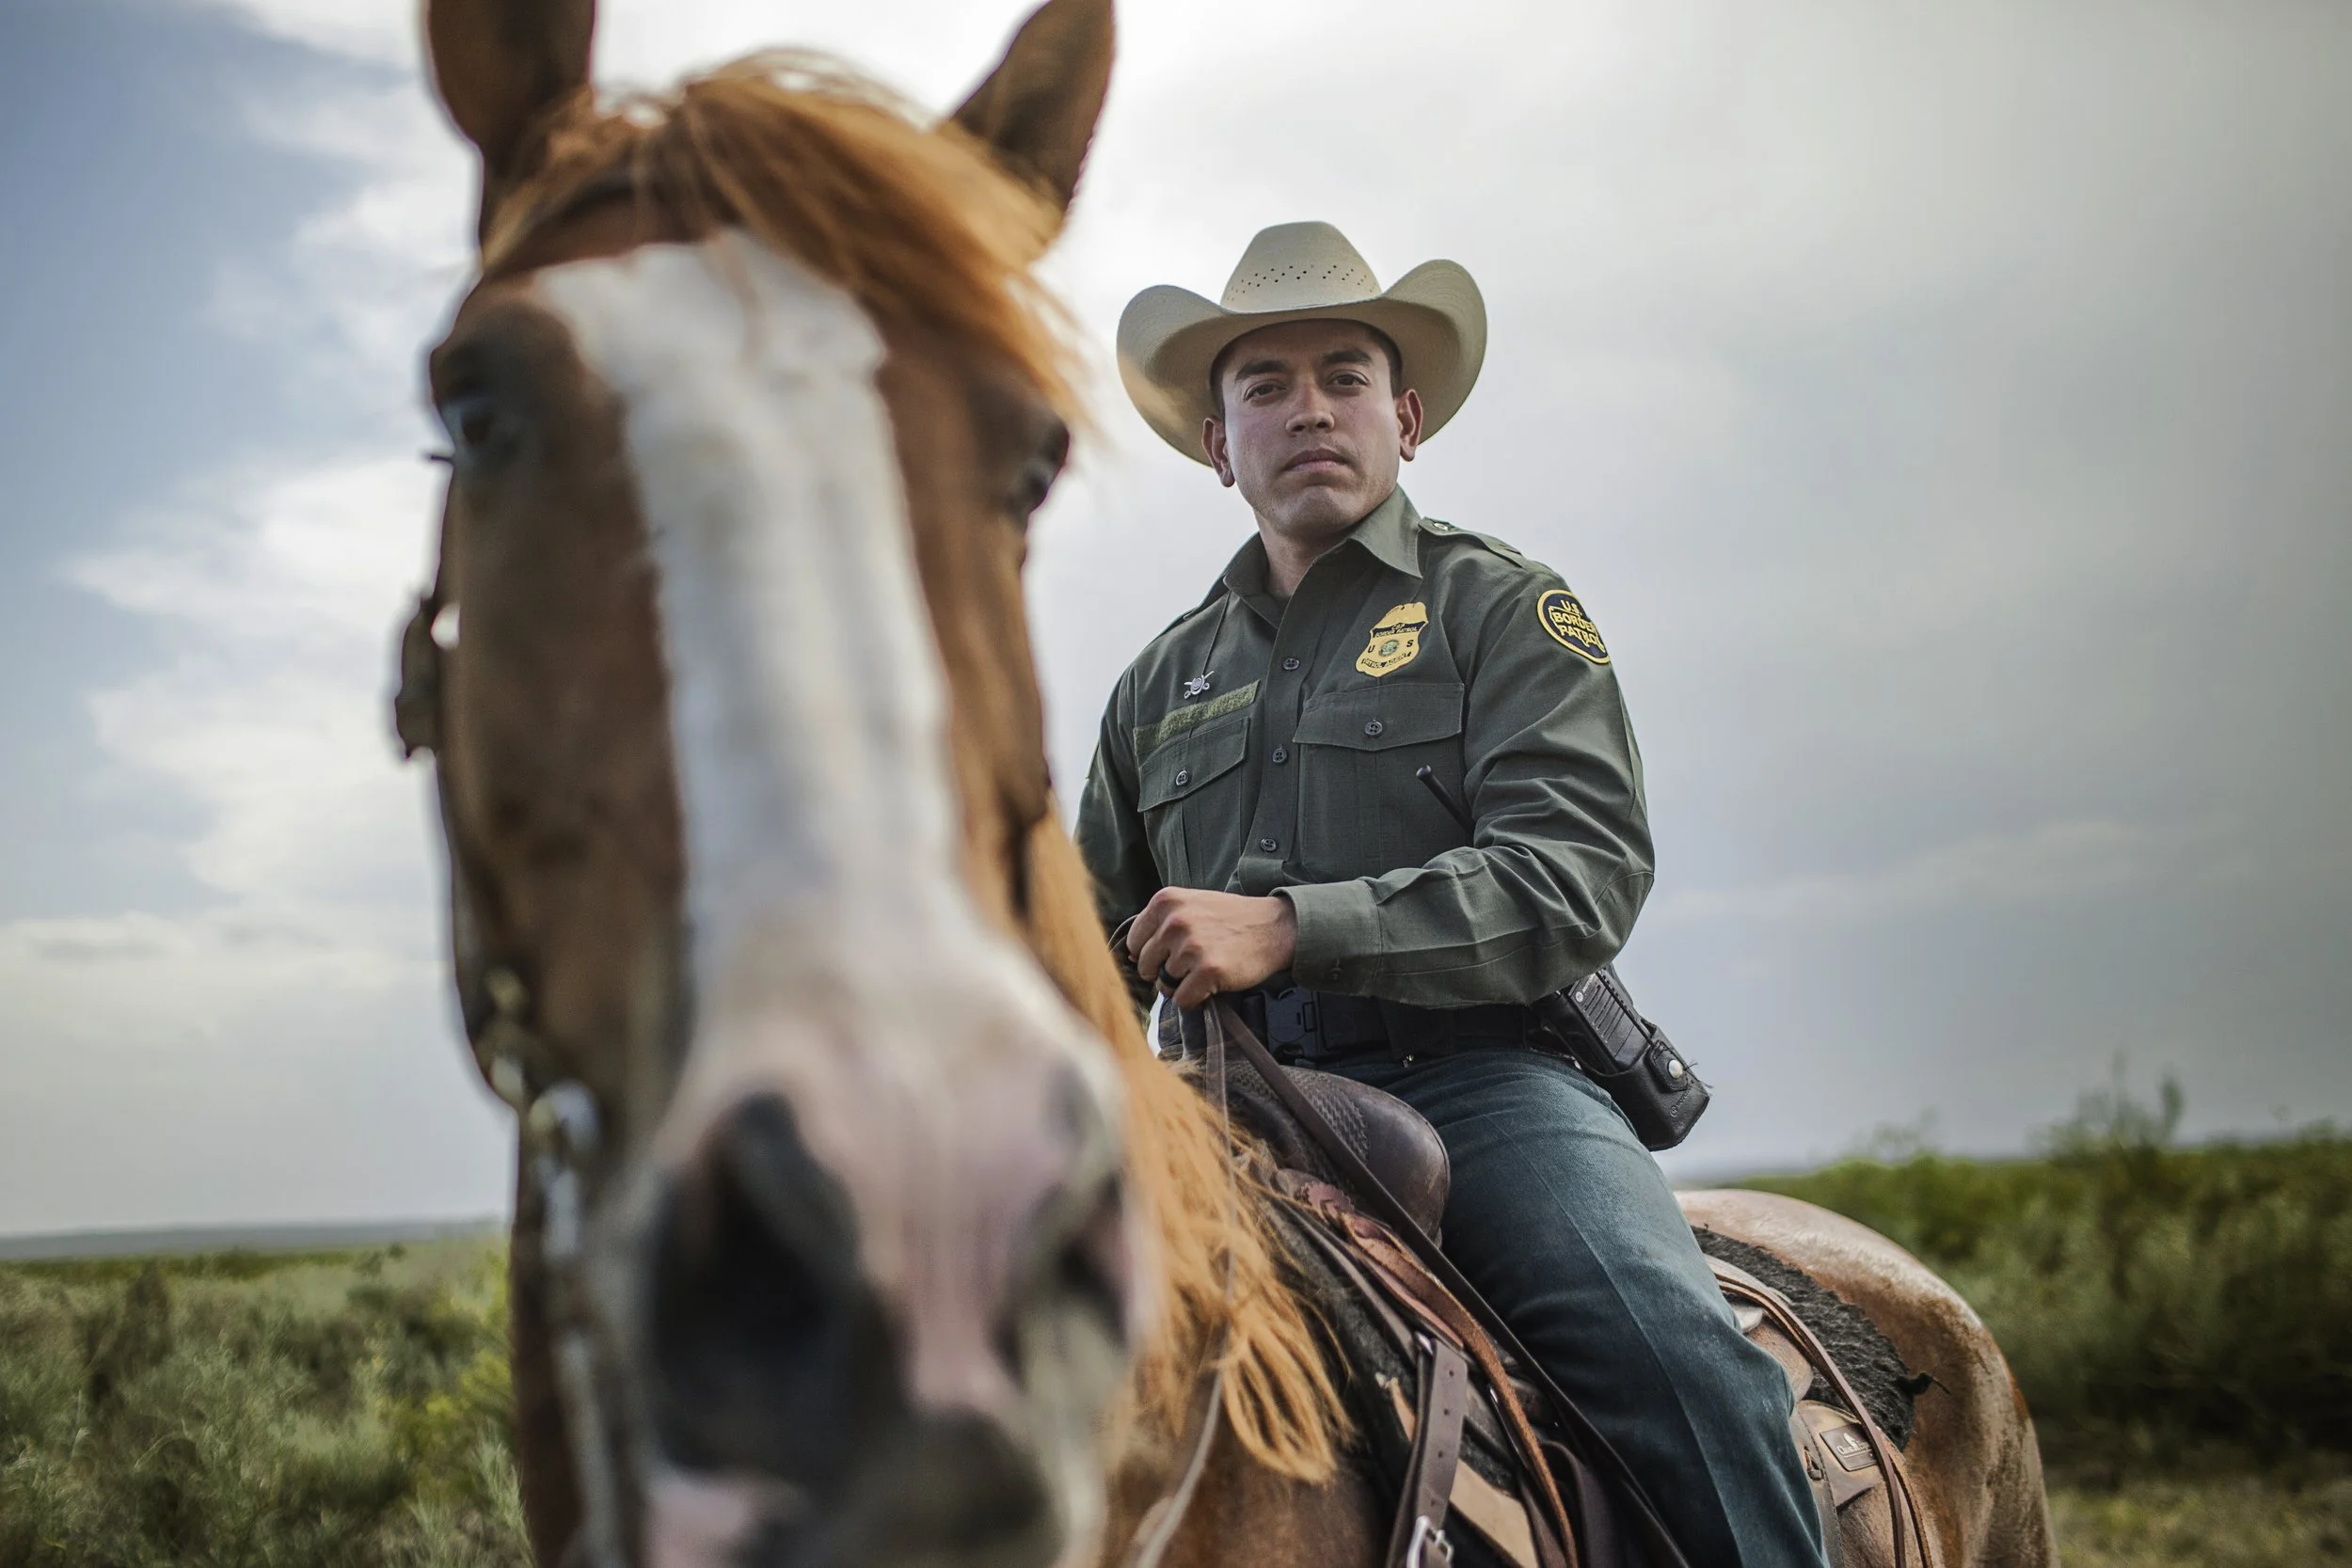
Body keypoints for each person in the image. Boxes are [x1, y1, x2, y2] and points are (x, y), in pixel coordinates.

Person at [1076, 221, 1828, 1567]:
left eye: (1345, 375)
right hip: (1214, 1111)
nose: (1308, 406)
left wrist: (1296, 925)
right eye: (1265, 384)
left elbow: (1577, 870)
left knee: (1686, 1380)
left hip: (1477, 1085)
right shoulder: (1156, 685)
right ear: (1217, 443)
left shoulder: (1502, 611)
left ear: (1405, 417)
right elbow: (1082, 948)